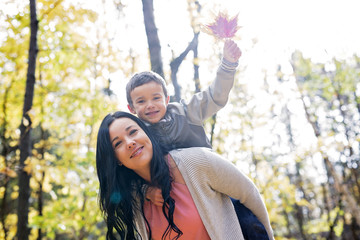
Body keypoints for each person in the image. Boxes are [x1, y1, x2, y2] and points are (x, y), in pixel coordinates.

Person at [126, 40, 269, 239]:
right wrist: (145, 191)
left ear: (167, 99)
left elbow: (214, 97)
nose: (150, 105)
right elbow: (129, 175)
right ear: (131, 108)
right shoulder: (137, 135)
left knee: (245, 222)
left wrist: (228, 64)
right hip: (178, 198)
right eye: (141, 101)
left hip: (211, 186)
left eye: (156, 98)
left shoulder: (186, 112)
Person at [96, 111, 274, 240]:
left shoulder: (195, 161)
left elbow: (249, 193)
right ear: (115, 159)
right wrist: (144, 191)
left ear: (146, 134)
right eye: (118, 143)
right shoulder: (134, 199)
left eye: (133, 132)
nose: (130, 142)